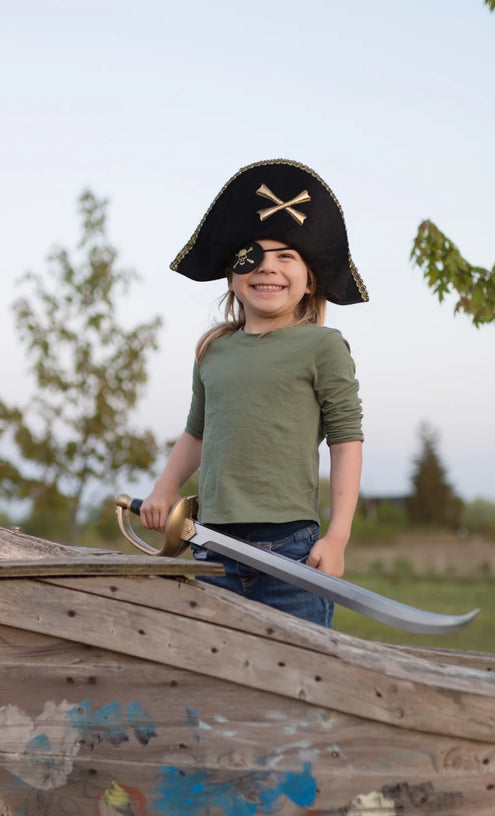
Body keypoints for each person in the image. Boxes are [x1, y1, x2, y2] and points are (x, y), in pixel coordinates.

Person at [140, 159, 368, 628]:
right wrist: (165, 486)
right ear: (231, 275)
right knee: (218, 683)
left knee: (303, 680)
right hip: (211, 547)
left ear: (310, 281)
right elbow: (197, 433)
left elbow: (346, 440)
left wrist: (339, 535)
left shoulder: (323, 346)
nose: (269, 267)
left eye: (287, 256)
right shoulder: (214, 350)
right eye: (254, 256)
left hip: (292, 552)